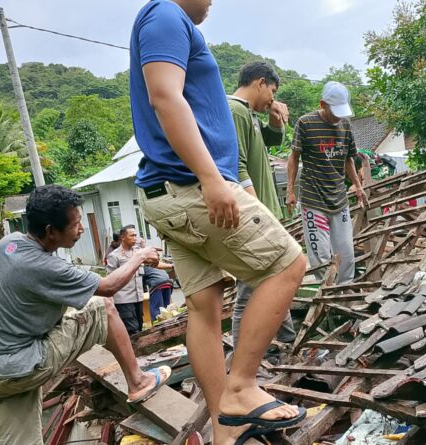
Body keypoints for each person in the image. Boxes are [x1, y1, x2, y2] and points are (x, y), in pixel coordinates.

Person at [129, 1, 308, 443]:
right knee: (288, 265)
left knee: (203, 309)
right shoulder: (167, 15)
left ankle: (224, 432)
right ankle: (242, 386)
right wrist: (211, 178)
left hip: (167, 193)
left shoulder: (163, 21)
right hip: (190, 186)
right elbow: (165, 96)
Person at [0, 185, 171, 445]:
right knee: (103, 307)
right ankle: (139, 382)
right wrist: (141, 256)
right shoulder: (45, 266)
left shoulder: (8, 245)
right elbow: (108, 287)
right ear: (50, 231)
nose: (81, 229)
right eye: (76, 224)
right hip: (24, 364)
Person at [227, 61, 296, 347]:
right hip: (254, 213)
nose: (272, 98)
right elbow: (237, 165)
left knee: (276, 276)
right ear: (260, 82)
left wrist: (276, 121)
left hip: (263, 210)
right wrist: (257, 212)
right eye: (272, 91)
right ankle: (242, 356)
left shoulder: (249, 114)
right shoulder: (234, 111)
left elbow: (266, 142)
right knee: (250, 284)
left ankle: (287, 342)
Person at [286, 81, 367, 284]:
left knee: (346, 253)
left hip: (338, 199)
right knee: (321, 257)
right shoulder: (306, 123)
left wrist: (357, 185)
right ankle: (328, 295)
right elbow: (294, 157)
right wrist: (290, 191)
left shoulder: (346, 125)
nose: (338, 117)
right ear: (323, 104)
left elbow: (348, 158)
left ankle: (345, 291)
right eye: (335, 111)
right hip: (313, 200)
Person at [106, 225, 146, 335]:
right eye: (132, 235)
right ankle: (135, 352)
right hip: (124, 300)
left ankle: (138, 351)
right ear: (123, 237)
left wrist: (171, 266)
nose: (135, 238)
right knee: (133, 331)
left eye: (136, 235)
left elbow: (152, 263)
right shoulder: (114, 256)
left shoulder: (139, 252)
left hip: (138, 298)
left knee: (140, 327)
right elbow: (110, 278)